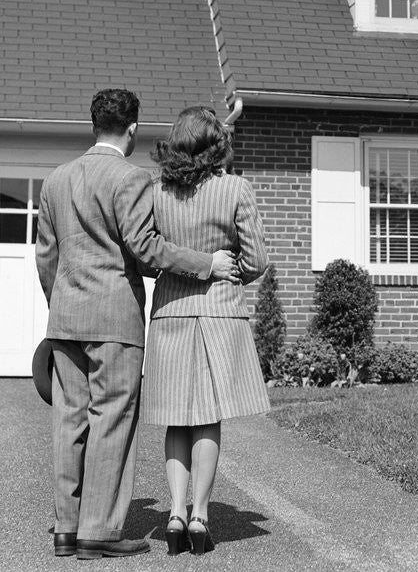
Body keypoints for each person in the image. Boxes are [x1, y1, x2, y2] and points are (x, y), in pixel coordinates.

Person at [35, 89, 239, 560]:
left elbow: (46, 257)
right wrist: (205, 263)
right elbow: (146, 249)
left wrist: (60, 304)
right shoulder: (130, 178)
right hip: (115, 320)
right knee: (112, 421)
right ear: (131, 130)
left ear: (94, 125)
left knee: (68, 421)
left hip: (65, 318)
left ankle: (66, 529)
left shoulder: (55, 180)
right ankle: (99, 533)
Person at [141, 106, 270, 556]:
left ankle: (174, 515)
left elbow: (144, 256)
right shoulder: (236, 188)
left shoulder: (156, 192)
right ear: (216, 144)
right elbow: (256, 260)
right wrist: (229, 274)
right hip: (219, 313)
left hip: (172, 310)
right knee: (207, 417)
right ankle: (200, 517)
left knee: (177, 416)